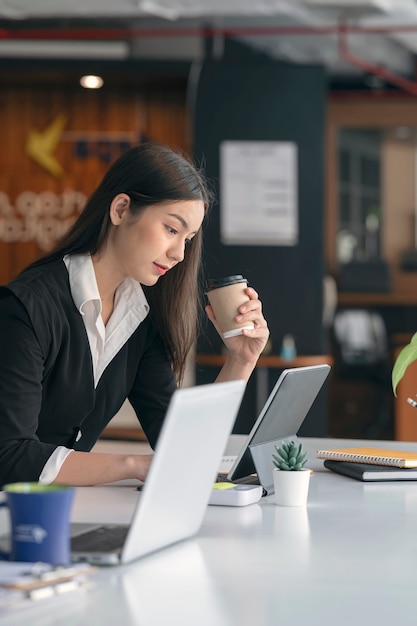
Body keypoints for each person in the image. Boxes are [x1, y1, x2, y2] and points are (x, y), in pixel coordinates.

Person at [0, 142, 269, 487]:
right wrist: (134, 465)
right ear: (121, 209)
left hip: (63, 509)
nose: (179, 254)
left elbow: (182, 447)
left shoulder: (141, 318)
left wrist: (240, 361)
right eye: (172, 229)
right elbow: (9, 455)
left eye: (187, 239)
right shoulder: (24, 308)